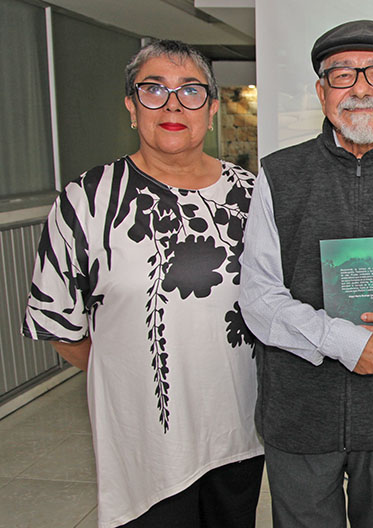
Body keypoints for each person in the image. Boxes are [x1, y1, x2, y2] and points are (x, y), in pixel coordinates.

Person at [21, 40, 263, 527]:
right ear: (132, 107)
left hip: (238, 429)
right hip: (145, 442)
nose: (172, 104)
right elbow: (57, 322)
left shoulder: (252, 194)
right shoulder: (88, 200)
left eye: (190, 91)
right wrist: (123, 376)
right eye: (153, 89)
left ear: (212, 109)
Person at [238, 20, 373, 528]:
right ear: (322, 94)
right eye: (342, 74)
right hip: (299, 410)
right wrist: (344, 341)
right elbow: (258, 295)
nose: (361, 87)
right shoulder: (278, 174)